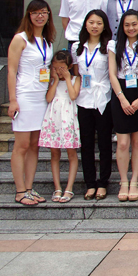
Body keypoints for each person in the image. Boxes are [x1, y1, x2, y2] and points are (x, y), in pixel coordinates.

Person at [7, 0, 56, 206]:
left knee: (35, 145)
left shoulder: (47, 41)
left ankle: (29, 188)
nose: (40, 16)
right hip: (24, 95)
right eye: (35, 12)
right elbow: (11, 70)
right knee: (22, 145)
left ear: (48, 15)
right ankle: (20, 191)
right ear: (29, 15)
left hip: (40, 97)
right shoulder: (20, 39)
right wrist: (12, 100)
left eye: (43, 12)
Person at [107, 10, 138, 203]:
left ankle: (134, 181)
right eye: (127, 25)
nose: (131, 28)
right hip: (121, 93)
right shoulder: (114, 45)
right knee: (123, 143)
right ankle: (123, 181)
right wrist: (122, 98)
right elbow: (112, 74)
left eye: (134, 24)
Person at [73, 10, 113, 201]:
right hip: (83, 99)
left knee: (104, 143)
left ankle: (103, 182)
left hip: (104, 98)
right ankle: (90, 183)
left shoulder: (109, 46)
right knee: (86, 144)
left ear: (104, 26)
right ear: (85, 24)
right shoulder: (77, 47)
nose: (95, 26)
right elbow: (76, 73)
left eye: (99, 23)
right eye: (91, 22)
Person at [39, 49, 81, 203]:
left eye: (62, 68)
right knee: (54, 153)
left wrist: (68, 78)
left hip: (68, 117)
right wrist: (55, 80)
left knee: (71, 153)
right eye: (55, 68)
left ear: (69, 66)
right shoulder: (52, 81)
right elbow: (49, 98)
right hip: (54, 117)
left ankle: (69, 188)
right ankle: (57, 187)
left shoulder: (76, 79)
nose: (58, 71)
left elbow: (73, 95)